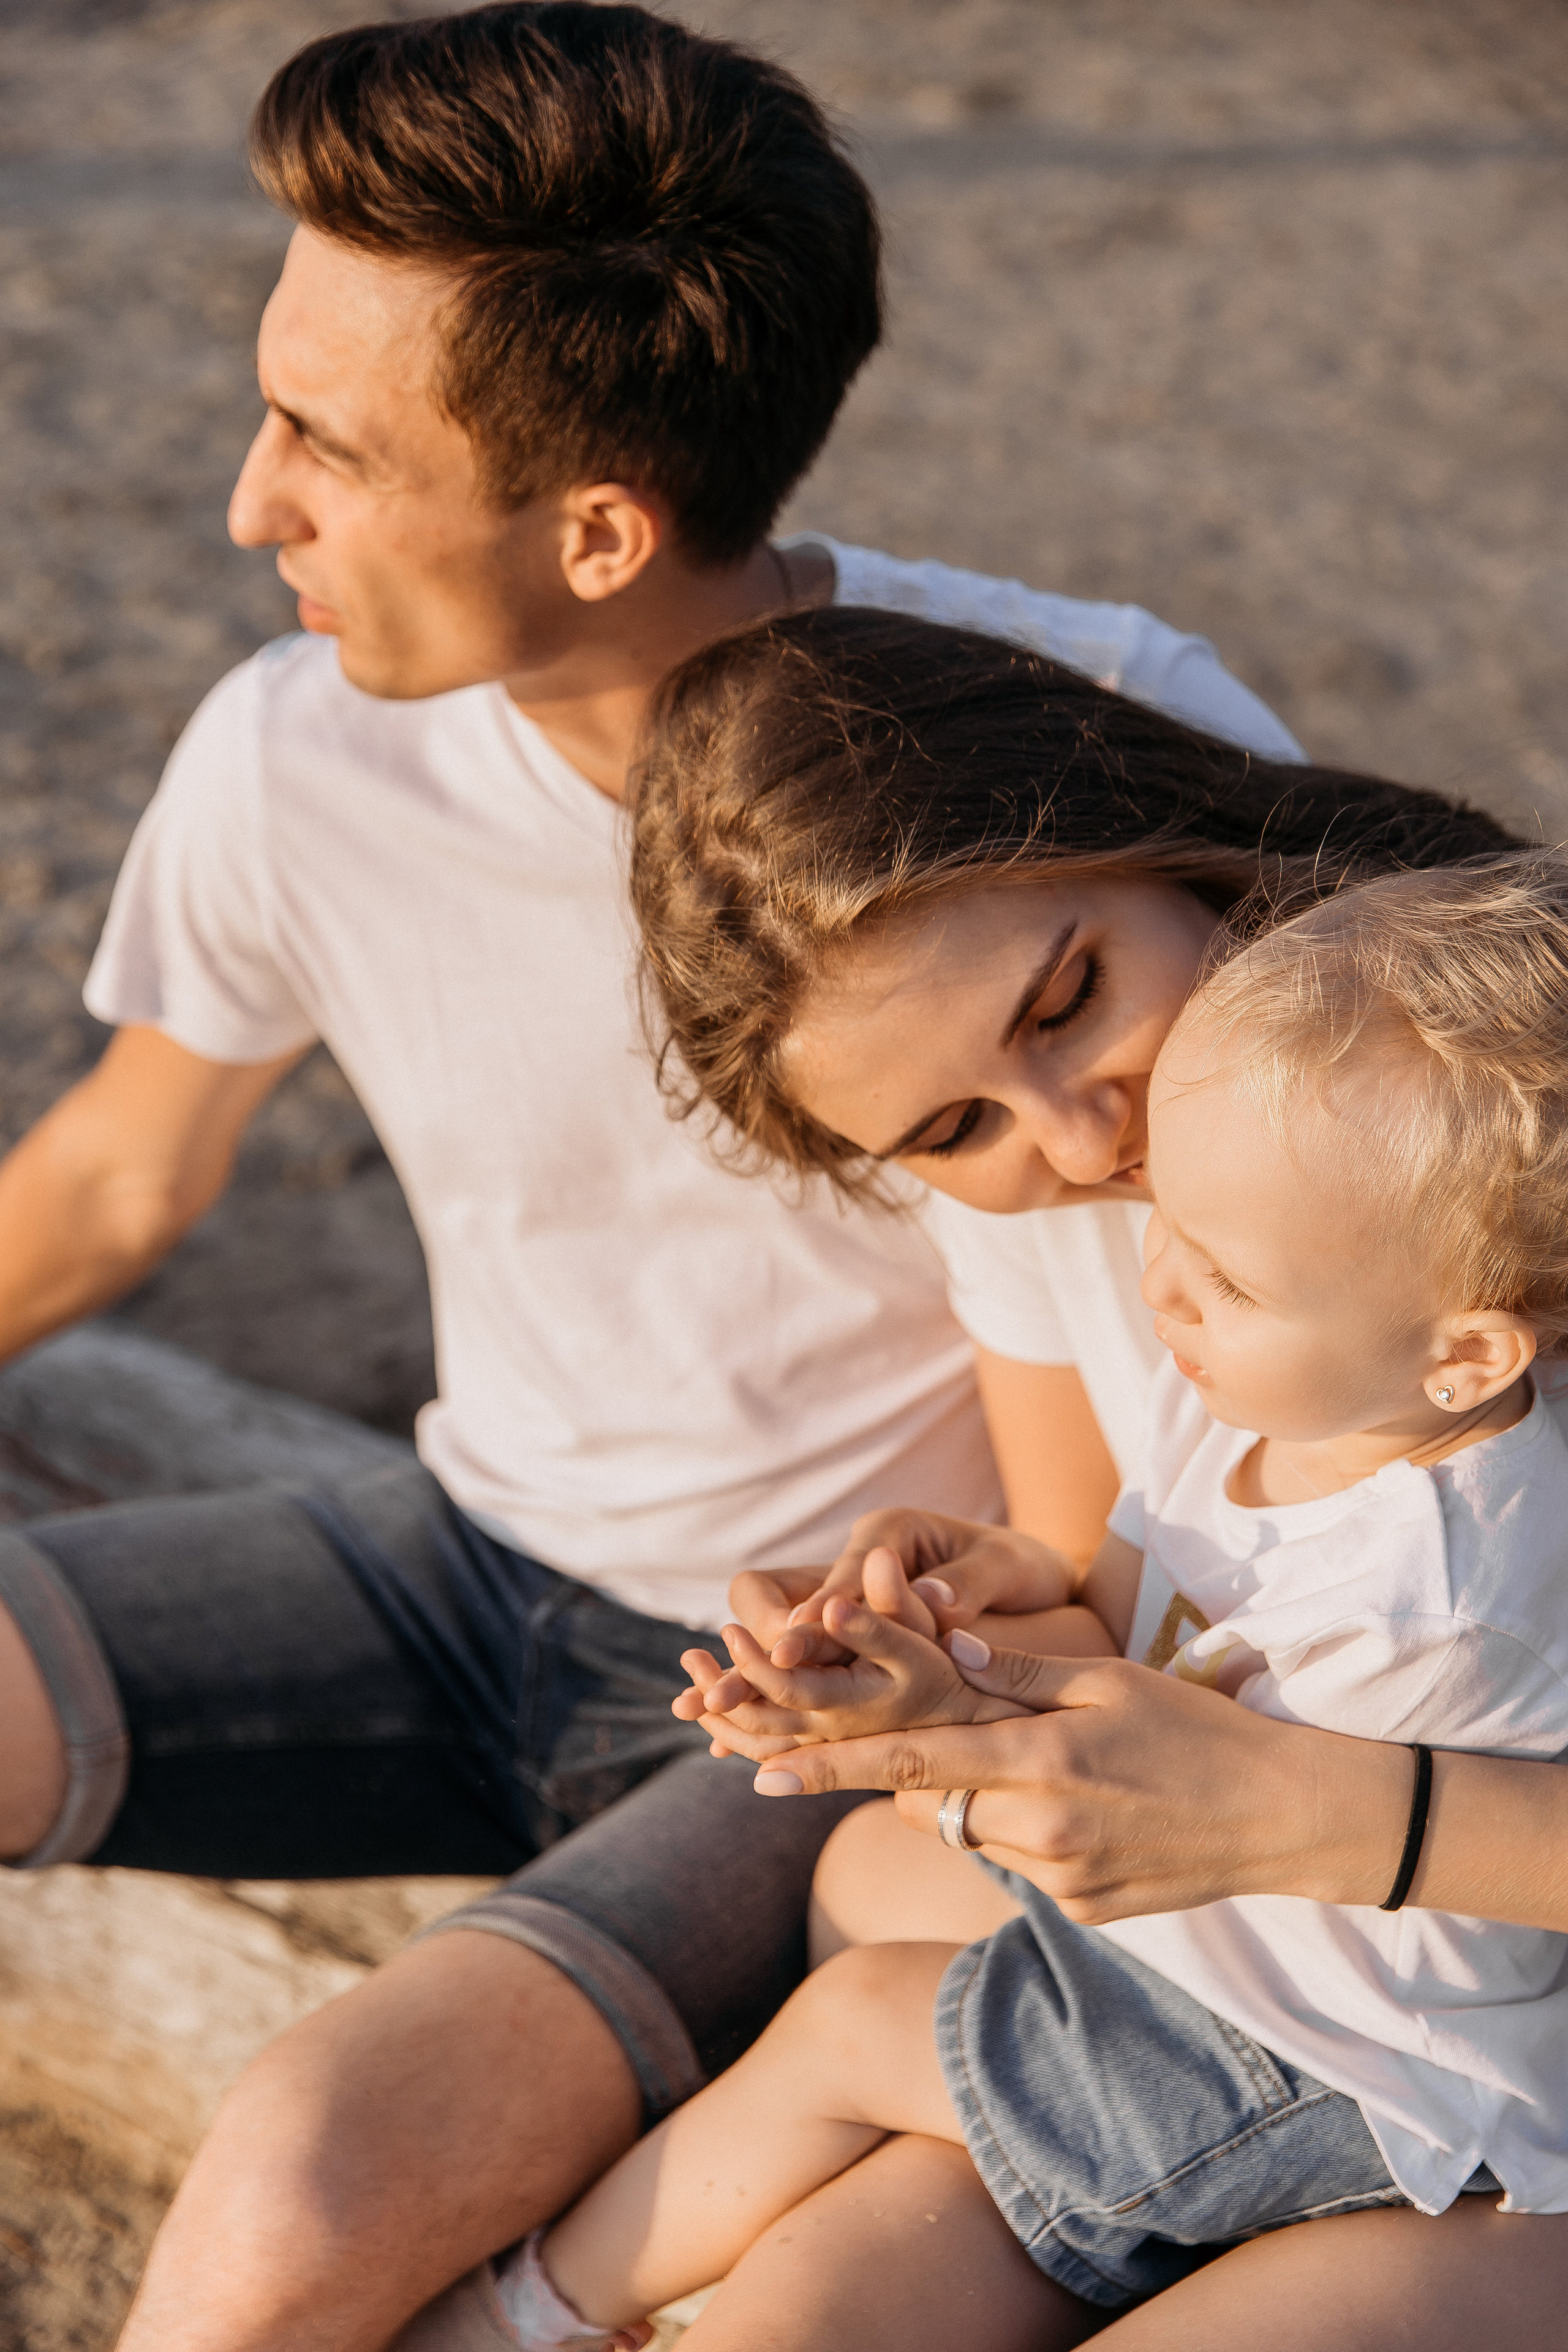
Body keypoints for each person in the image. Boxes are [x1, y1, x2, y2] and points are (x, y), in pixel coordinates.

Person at [0, 10, 1306, 2350]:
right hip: (451, 1556)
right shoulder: (296, 750)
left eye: (320, 439)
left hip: (819, 1700)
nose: (246, 502)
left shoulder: (1067, 763)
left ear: (595, 525)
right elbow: (108, 1187)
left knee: (289, 2200)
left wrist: (958, 1668)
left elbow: (1183, 1404)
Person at [620, 606, 1568, 2345]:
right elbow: (1128, 1596)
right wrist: (965, 1621)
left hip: (1494, 2078)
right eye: (950, 1135)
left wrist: (1348, 1816)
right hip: (1288, 1994)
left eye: (1070, 999)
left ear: (1141, 824)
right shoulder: (1138, 1231)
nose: (1080, 1142)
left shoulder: (1500, 1160)